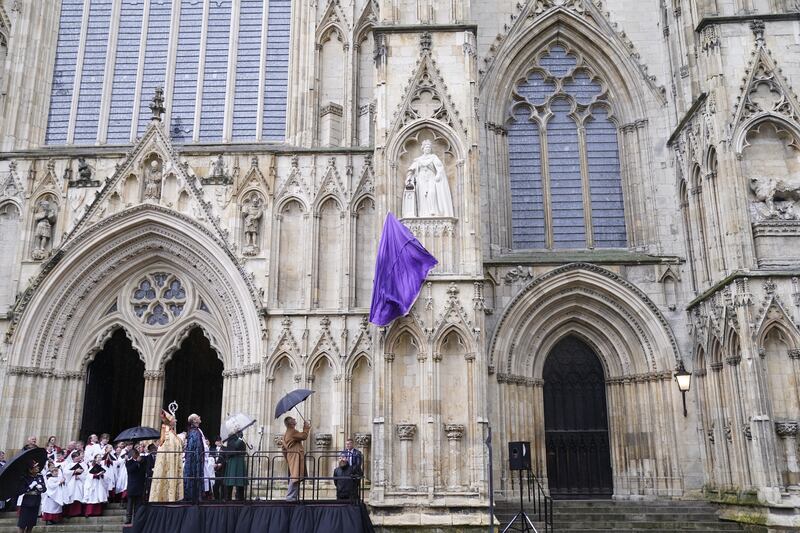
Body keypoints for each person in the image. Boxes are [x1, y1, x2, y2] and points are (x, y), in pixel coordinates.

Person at [149, 410, 183, 502]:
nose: (175, 421)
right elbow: (166, 444)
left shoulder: (172, 432)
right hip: (168, 460)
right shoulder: (167, 431)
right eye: (173, 420)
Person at [282, 416, 310, 502]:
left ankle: (293, 497)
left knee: (295, 476)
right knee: (295, 476)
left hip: (293, 455)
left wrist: (287, 456)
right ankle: (290, 497)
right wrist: (306, 427)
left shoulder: (287, 432)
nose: (295, 420)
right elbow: (304, 436)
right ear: (291, 423)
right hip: (295, 456)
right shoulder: (292, 431)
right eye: (293, 419)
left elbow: (283, 448)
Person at [16, 459, 45, 533]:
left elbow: (44, 489)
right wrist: (30, 487)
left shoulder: (40, 477)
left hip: (36, 501)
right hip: (27, 503)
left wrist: (41, 489)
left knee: (31, 524)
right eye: (35, 467)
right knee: (22, 524)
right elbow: (20, 491)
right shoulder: (25, 478)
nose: (38, 467)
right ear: (31, 469)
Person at [183, 414, 206, 502]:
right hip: (194, 460)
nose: (200, 417)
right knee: (194, 475)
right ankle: (193, 496)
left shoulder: (195, 431)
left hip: (196, 459)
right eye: (198, 417)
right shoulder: (194, 432)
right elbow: (195, 447)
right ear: (195, 420)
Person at [125, 448, 146, 526]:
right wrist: (136, 462)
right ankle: (128, 519)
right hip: (132, 486)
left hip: (140, 485)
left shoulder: (142, 462)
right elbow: (130, 470)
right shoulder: (129, 462)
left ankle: (136, 518)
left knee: (138, 504)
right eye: (135, 454)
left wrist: (140, 462)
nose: (137, 455)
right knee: (130, 504)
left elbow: (144, 471)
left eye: (137, 454)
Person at [223, 432, 247, 501]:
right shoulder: (231, 438)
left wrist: (241, 439)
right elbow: (235, 446)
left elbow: (243, 447)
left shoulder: (240, 438)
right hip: (233, 461)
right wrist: (239, 438)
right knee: (231, 480)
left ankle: (240, 498)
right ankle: (228, 498)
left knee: (240, 481)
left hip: (240, 461)